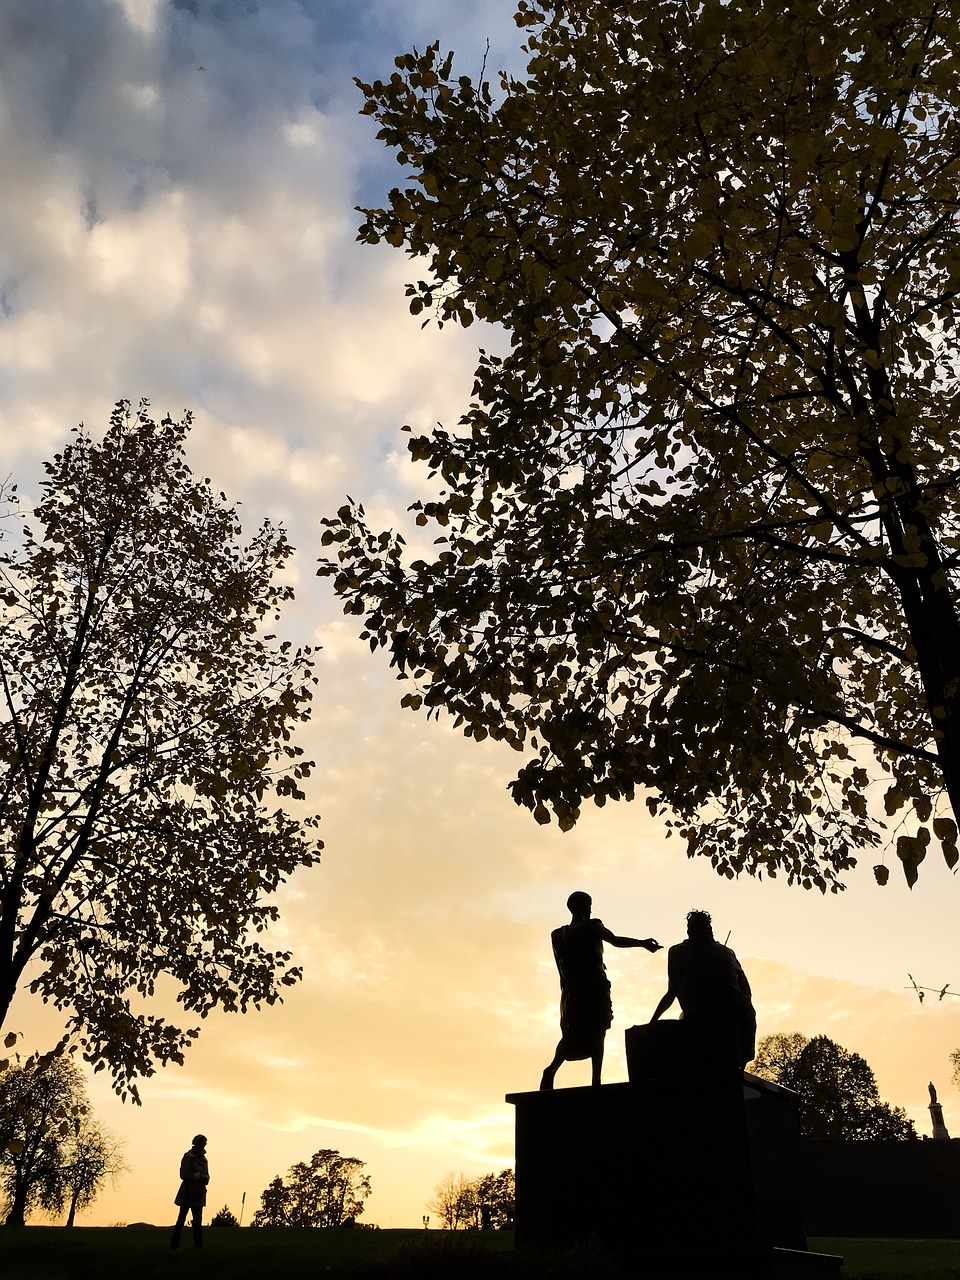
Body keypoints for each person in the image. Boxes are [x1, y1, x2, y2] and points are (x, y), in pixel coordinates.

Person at [540, 891, 660, 1089]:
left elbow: (561, 967)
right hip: (594, 987)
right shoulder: (592, 926)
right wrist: (642, 943)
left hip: (571, 991)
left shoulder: (558, 935)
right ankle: (596, 1079)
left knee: (571, 1033)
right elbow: (615, 940)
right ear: (587, 907)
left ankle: (552, 1068)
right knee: (598, 1030)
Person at [650, 910, 756, 1069]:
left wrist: (653, 1022)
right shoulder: (726, 952)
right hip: (737, 1016)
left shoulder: (677, 952)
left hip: (700, 1015)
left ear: (689, 930)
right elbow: (746, 991)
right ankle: (739, 1068)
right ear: (710, 929)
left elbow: (672, 992)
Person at [171, 1133, 209, 1249]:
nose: (204, 1146)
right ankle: (174, 1244)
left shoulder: (204, 1159)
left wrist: (205, 1179)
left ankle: (198, 1245)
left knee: (198, 1221)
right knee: (181, 1219)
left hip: (198, 1193)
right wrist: (197, 1176)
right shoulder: (188, 1157)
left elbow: (207, 1176)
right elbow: (183, 1174)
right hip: (187, 1192)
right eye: (202, 1143)